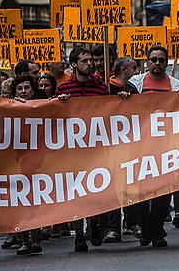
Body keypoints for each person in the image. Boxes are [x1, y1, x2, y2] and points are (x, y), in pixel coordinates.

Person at [128, 45, 179, 247]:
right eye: (154, 60)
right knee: (142, 191)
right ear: (147, 61)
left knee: (164, 191)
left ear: (167, 62)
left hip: (167, 147)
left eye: (161, 60)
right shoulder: (135, 84)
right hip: (141, 147)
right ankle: (146, 228)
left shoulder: (178, 85)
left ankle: (156, 231)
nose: (157, 64)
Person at [56, 47, 110, 252]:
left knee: (95, 187)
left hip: (95, 148)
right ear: (74, 65)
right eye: (84, 61)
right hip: (73, 150)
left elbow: (110, 113)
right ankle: (79, 235)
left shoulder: (101, 87)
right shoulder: (63, 89)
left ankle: (94, 221)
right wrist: (58, 104)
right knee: (75, 191)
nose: (90, 63)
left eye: (90, 60)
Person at [104, 57, 140, 243]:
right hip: (108, 146)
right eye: (133, 68)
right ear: (124, 69)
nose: (136, 72)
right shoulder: (105, 88)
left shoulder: (132, 89)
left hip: (128, 145)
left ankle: (131, 221)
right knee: (112, 188)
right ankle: (113, 228)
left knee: (130, 185)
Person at [11, 73, 44, 255]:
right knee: (20, 200)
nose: (24, 92)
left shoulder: (41, 107)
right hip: (14, 162)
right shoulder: (6, 108)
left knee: (34, 198)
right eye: (20, 88)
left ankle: (36, 239)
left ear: (33, 91)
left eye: (27, 88)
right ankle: (24, 240)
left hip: (37, 162)